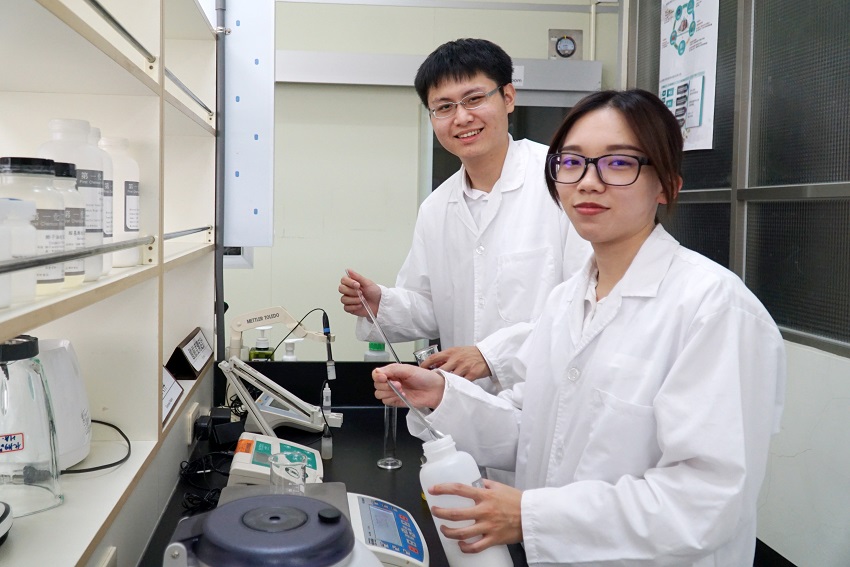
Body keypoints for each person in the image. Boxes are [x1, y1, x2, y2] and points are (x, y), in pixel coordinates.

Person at [372, 89, 786, 566]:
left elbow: (706, 501)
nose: (588, 182)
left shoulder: (714, 310)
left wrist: (531, 516)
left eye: (618, 163)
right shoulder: (566, 301)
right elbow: (535, 431)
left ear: (666, 186)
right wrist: (444, 396)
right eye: (571, 162)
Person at [339, 38, 590, 392]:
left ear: (508, 97)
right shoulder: (436, 208)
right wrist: (381, 303)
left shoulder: (564, 181)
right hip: (465, 405)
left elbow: (588, 304)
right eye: (444, 107)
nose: (461, 117)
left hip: (549, 399)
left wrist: (491, 355)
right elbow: (431, 306)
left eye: (474, 99)